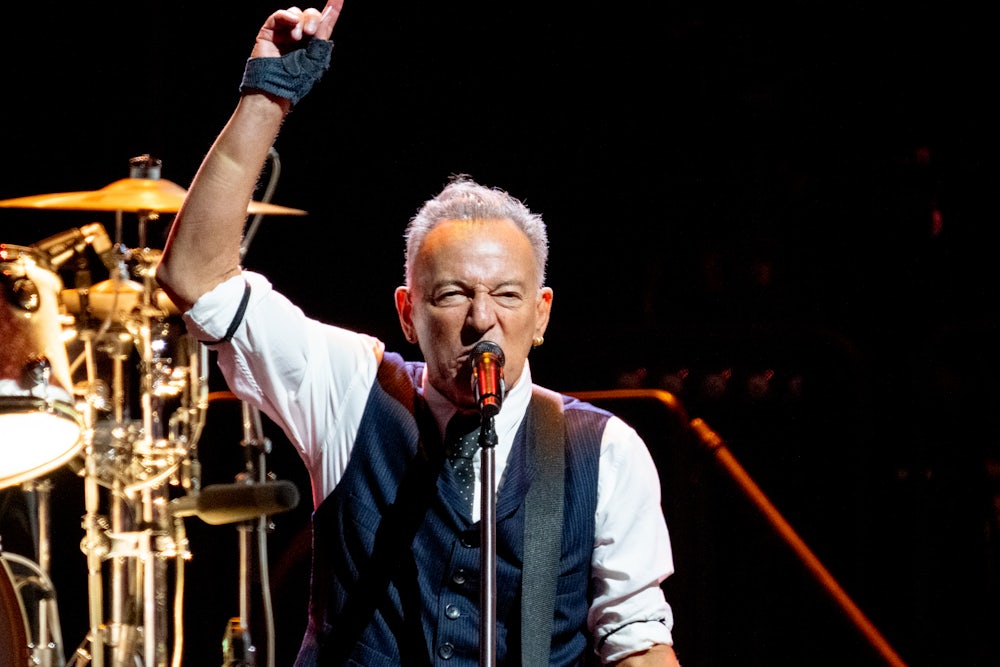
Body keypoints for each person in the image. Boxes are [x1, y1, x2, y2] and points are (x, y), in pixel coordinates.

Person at [156, 2, 681, 665]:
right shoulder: (351, 389)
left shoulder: (605, 452)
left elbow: (638, 643)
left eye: (507, 295)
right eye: (454, 294)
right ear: (407, 312)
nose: (481, 319)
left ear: (542, 314)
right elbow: (194, 275)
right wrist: (267, 98)